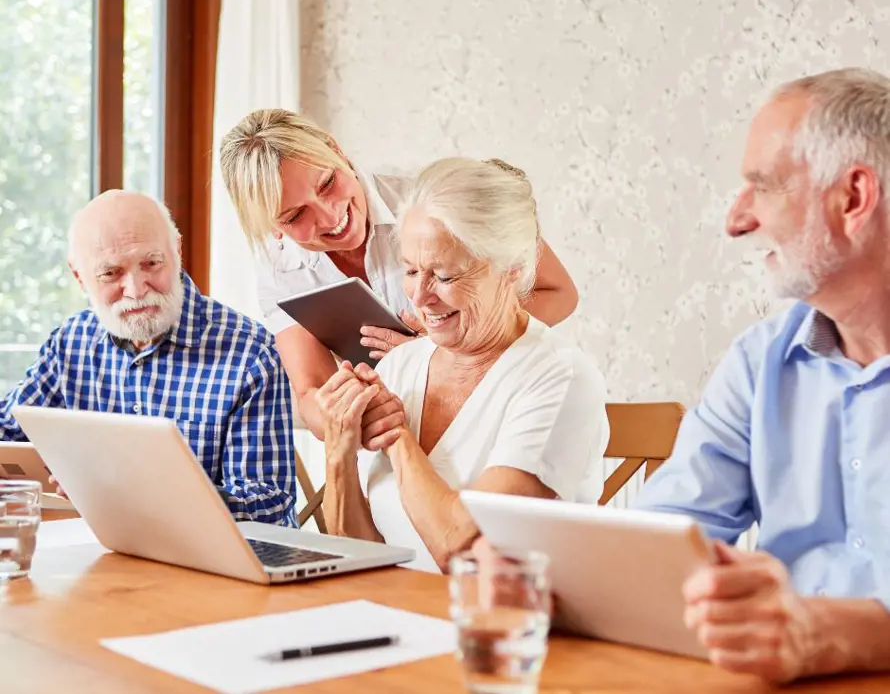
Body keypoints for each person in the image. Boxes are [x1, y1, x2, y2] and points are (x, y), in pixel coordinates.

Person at [635, 68, 890, 681]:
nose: (736, 220)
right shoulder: (759, 361)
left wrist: (834, 634)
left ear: (853, 198)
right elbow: (656, 547)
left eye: (764, 187)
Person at [315, 157, 609, 573]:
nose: (418, 297)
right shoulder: (398, 366)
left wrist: (397, 437)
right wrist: (338, 445)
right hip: (402, 621)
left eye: (445, 277)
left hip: (514, 627)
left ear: (514, 271)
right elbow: (360, 559)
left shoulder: (560, 376)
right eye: (411, 270)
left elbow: (468, 553)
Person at [219, 110, 580, 439]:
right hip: (395, 440)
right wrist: (339, 413)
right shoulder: (280, 266)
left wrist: (445, 352)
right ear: (274, 228)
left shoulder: (425, 201)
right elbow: (312, 393)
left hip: (496, 414)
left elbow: (559, 292)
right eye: (295, 216)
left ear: (337, 150)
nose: (330, 218)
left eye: (327, 183)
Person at [0, 191, 299, 526]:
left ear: (178, 252)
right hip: (107, 554)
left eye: (152, 263)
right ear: (80, 278)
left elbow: (267, 503)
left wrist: (130, 495)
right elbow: (7, 432)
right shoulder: (71, 343)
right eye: (111, 273)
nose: (136, 289)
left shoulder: (250, 352)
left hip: (221, 563)